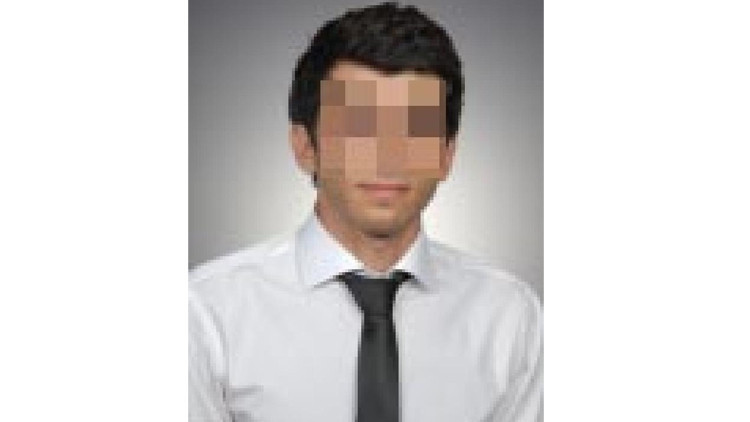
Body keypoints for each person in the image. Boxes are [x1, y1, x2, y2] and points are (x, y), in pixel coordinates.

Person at [189, 3, 542, 422]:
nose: (388, 157)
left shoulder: (510, 317)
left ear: (446, 154)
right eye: (359, 128)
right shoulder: (207, 314)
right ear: (306, 147)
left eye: (414, 129)